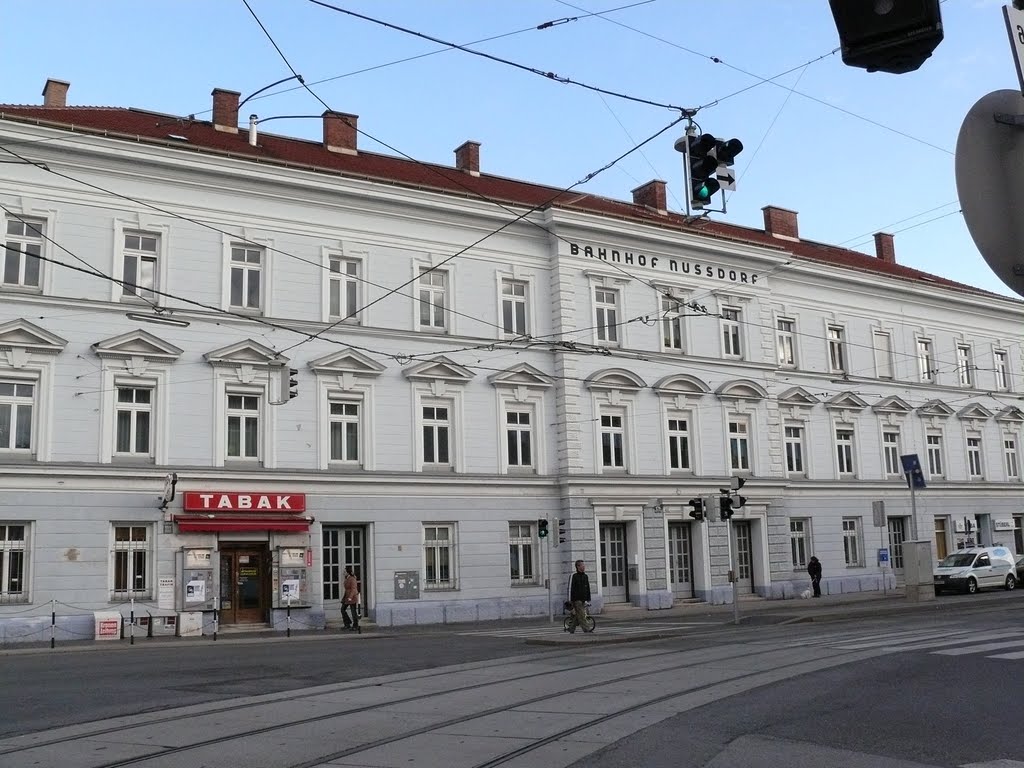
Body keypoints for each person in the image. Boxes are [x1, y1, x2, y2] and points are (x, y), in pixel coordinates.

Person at [566, 559, 591, 633]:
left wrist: (588, 598)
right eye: (582, 565)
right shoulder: (574, 576)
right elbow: (571, 589)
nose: (584, 567)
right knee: (582, 615)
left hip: (583, 599)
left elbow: (587, 588)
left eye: (584, 565)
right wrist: (571, 601)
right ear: (578, 566)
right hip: (577, 600)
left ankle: (571, 628)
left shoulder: (585, 576)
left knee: (577, 615)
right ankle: (586, 629)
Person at [342, 567, 360, 632]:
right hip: (347, 597)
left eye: (344, 571)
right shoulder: (347, 578)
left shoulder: (352, 579)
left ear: (347, 572)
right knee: (342, 609)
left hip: (352, 597)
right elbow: (347, 589)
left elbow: (353, 589)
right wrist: (344, 598)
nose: (343, 573)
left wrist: (350, 597)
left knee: (353, 612)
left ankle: (355, 625)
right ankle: (347, 623)